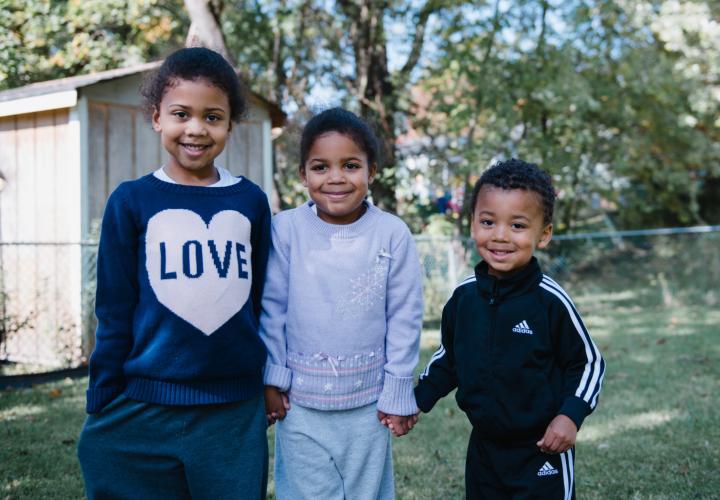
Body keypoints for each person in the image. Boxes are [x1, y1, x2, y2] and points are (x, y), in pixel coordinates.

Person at [77, 47, 271, 499]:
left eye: (213, 117)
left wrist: (266, 379)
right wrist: (103, 393)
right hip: (145, 402)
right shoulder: (130, 200)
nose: (196, 129)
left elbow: (261, 297)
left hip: (233, 408)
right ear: (156, 117)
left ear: (230, 124)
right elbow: (114, 306)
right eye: (181, 113)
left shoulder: (250, 201)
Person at [414, 158, 605, 499]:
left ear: (543, 234)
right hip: (485, 449)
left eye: (517, 226)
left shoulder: (550, 300)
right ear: (472, 224)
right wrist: (414, 401)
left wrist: (570, 416)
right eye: (488, 221)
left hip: (542, 447)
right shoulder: (463, 297)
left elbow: (588, 362)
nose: (500, 236)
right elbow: (449, 358)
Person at [260, 107, 423, 499]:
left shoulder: (391, 234)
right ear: (302, 174)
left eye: (350, 165)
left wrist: (398, 390)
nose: (336, 177)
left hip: (368, 407)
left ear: (372, 171)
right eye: (320, 167)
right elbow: (271, 309)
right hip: (300, 406)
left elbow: (405, 316)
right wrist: (271, 377)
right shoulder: (285, 230)